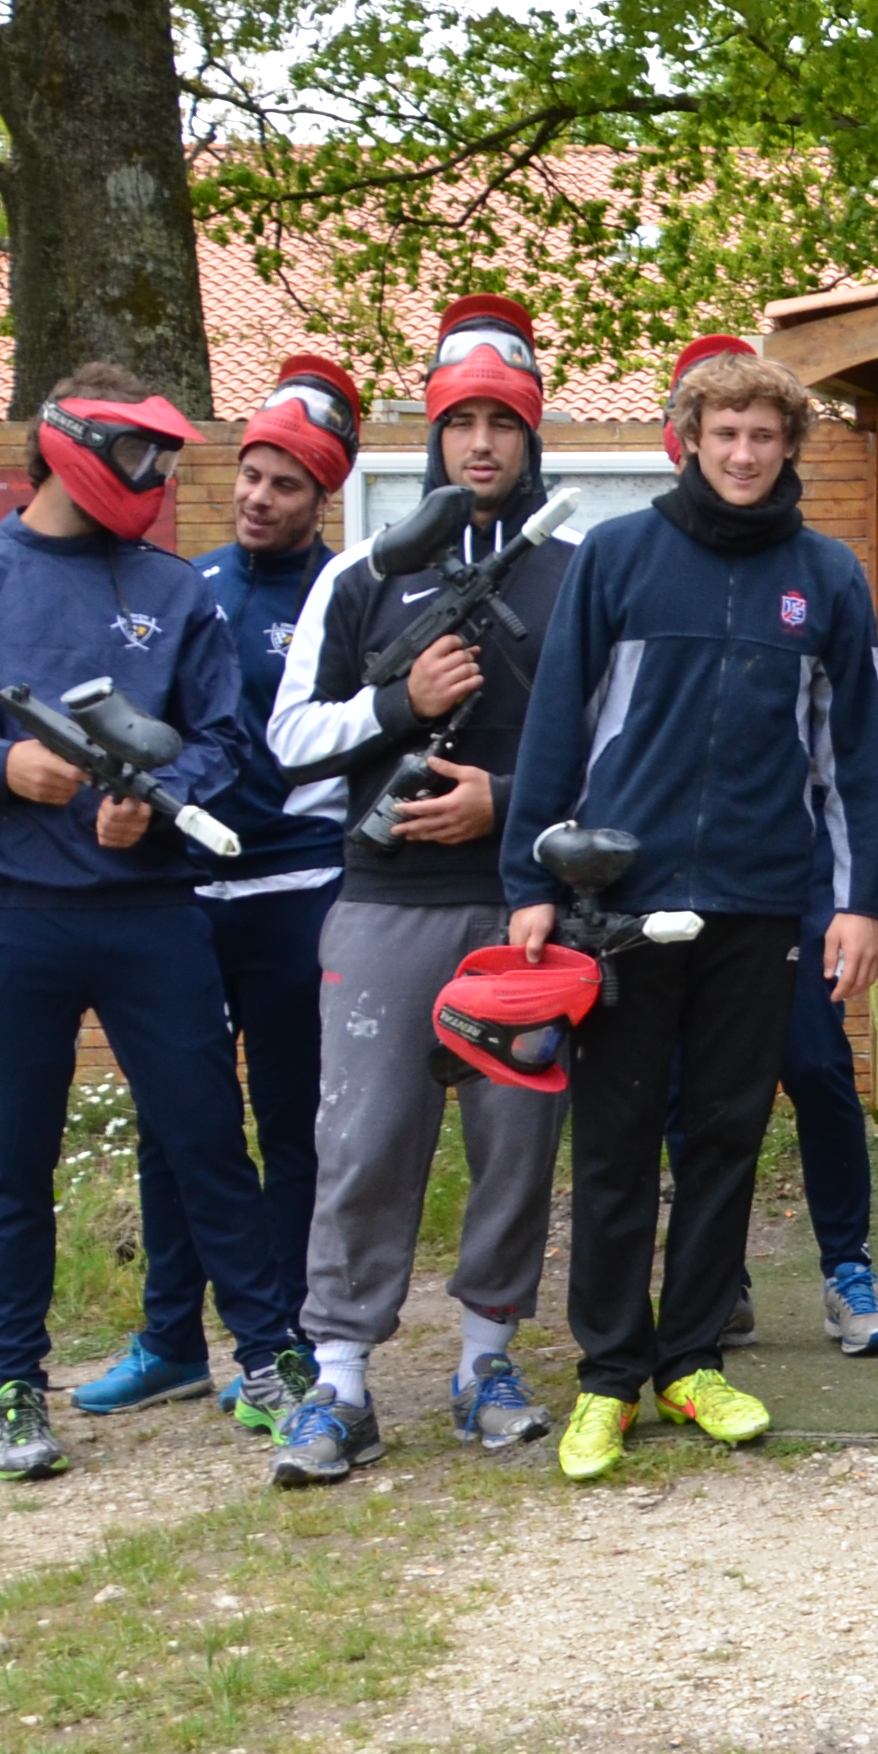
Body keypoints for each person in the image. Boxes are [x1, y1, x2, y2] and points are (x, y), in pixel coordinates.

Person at [0, 368, 301, 1480]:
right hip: (7, 910)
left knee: (204, 1141)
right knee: (13, 1152)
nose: (159, 483)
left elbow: (225, 742)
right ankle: (12, 1387)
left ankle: (271, 1363)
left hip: (150, 912)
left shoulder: (174, 591)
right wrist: (1, 765)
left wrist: (159, 800)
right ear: (73, 449)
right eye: (143, 460)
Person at [497, 347, 878, 1481]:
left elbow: (853, 759)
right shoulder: (617, 558)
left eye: (763, 436)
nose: (743, 454)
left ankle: (693, 1360)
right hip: (614, 903)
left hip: (761, 904)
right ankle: (609, 1378)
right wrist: (531, 885)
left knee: (724, 1137)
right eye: (723, 434)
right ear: (688, 439)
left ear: (787, 448)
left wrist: (856, 904)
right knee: (615, 1146)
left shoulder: (827, 575)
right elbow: (557, 729)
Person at [260, 316, 587, 1472]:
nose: (483, 445)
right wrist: (399, 708)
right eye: (463, 424)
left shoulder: (577, 575)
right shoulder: (362, 574)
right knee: (363, 1136)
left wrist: (503, 801)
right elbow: (290, 735)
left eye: (504, 422)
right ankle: (340, 1380)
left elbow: (613, 743)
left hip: (521, 907)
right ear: (433, 437)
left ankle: (484, 1358)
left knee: (514, 1137)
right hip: (383, 900)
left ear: (532, 434)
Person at [69, 353, 347, 1426]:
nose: (258, 497)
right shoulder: (182, 588)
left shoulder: (343, 593)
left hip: (295, 887)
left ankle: (276, 1341)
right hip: (183, 888)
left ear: (320, 496)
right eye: (250, 475)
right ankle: (168, 1338)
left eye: (285, 483)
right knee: (178, 1119)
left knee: (289, 1122)